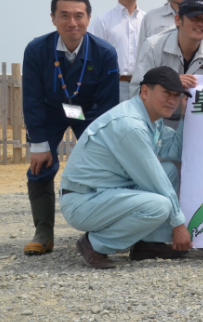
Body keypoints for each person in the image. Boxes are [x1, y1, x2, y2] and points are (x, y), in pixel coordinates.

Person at [60, 66, 194, 269]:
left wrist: (185, 114)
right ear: (145, 91)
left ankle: (149, 245)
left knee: (169, 171)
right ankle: (95, 244)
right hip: (83, 201)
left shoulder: (149, 119)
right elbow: (154, 179)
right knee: (159, 205)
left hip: (103, 194)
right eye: (166, 93)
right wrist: (178, 224)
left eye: (176, 95)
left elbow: (174, 149)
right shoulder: (130, 124)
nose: (172, 100)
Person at [22, 0, 120, 256]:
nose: (72, 23)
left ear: (89, 18)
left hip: (89, 114)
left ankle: (97, 228)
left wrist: (98, 144)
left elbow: (108, 103)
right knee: (40, 164)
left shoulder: (105, 52)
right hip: (50, 112)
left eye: (79, 16)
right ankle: (43, 232)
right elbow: (31, 99)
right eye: (64, 16)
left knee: (102, 165)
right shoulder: (36, 50)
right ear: (53, 18)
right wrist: (39, 143)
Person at [131, 0, 203, 129]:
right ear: (178, 20)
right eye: (194, 18)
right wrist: (170, 84)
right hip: (157, 124)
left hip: (199, 126)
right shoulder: (152, 46)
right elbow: (136, 93)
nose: (200, 24)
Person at [89, 0, 145, 102]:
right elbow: (93, 57)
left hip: (143, 85)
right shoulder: (102, 21)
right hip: (113, 84)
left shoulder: (147, 19)